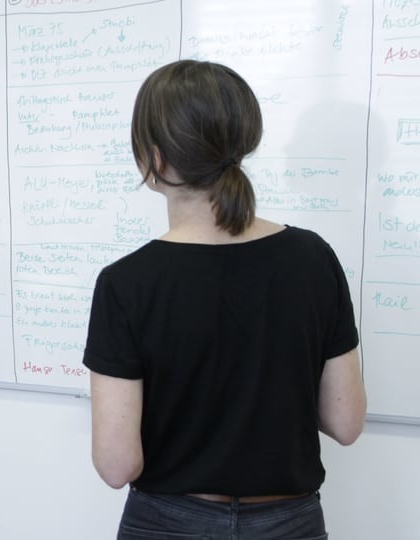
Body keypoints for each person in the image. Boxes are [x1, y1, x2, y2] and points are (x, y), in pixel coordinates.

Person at [82, 60, 367, 539]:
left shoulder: (126, 283)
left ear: (154, 159)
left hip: (167, 524)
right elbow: (345, 422)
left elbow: (116, 465)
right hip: (290, 523)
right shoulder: (314, 259)